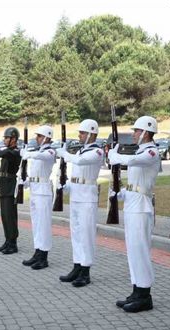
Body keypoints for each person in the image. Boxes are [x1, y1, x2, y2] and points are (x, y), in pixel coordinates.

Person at [108, 116, 161, 312]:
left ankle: (145, 295)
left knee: (140, 250)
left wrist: (114, 154)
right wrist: (121, 193)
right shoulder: (141, 150)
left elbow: (131, 160)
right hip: (132, 204)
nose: (134, 134)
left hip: (141, 207)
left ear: (146, 133)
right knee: (132, 250)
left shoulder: (151, 152)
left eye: (137, 131)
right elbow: (134, 182)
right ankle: (136, 290)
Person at [56, 119, 104, 287]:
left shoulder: (97, 152)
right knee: (75, 233)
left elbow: (81, 162)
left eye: (82, 133)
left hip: (87, 198)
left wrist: (65, 154)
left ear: (91, 133)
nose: (79, 135)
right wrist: (66, 185)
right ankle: (77, 266)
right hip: (76, 196)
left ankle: (86, 271)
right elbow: (76, 173)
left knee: (86, 235)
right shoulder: (80, 151)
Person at [20, 125, 56, 270]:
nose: (37, 138)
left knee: (44, 225)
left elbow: (42, 157)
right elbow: (35, 172)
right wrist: (26, 181)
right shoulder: (38, 151)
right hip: (35, 191)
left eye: (40, 136)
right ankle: (37, 252)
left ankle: (44, 257)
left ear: (47, 137)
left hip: (43, 192)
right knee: (36, 225)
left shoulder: (50, 151)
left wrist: (27, 153)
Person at [0, 127, 22, 254]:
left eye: (6, 137)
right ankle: (7, 240)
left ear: (13, 139)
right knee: (4, 216)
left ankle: (13, 243)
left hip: (10, 187)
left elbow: (5, 154)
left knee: (10, 216)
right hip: (4, 185)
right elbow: (3, 171)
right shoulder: (8, 151)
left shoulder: (15, 152)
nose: (4, 140)